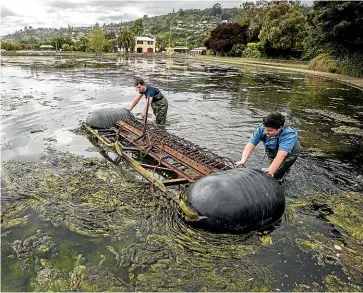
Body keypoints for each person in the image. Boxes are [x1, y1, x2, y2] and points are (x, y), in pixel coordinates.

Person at [235, 113, 300, 181]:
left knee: (278, 172)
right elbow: (250, 145)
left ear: (279, 128)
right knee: (272, 161)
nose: (266, 132)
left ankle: (280, 177)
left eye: (270, 131)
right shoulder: (262, 128)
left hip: (290, 152)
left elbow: (282, 155)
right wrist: (243, 160)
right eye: (265, 129)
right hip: (272, 145)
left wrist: (271, 171)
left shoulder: (288, 134)